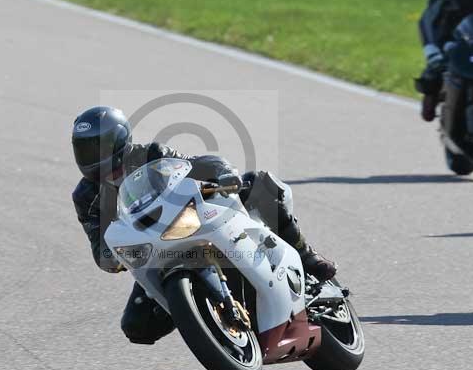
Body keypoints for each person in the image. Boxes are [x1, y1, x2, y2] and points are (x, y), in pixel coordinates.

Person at [71, 106, 337, 344]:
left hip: (191, 220)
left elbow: (195, 165)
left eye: (96, 146)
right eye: (83, 148)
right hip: (153, 251)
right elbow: (99, 245)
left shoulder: (151, 153)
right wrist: (113, 255)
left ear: (118, 140)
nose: (91, 155)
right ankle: (197, 309)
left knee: (259, 184)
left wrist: (223, 173)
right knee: (137, 327)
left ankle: (305, 254)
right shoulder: (85, 197)